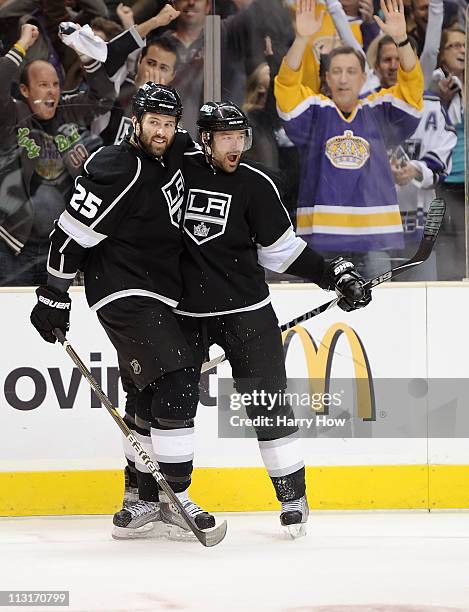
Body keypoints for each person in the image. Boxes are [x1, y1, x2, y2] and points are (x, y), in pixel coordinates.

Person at [115, 101, 372, 539]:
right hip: (179, 312)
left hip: (245, 311)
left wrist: (333, 275)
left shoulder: (256, 185)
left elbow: (281, 250)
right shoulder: (175, 166)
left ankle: (293, 496)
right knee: (155, 402)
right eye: (226, 138)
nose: (236, 147)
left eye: (241, 138)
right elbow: (135, 162)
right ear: (205, 139)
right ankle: (145, 497)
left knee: (268, 403)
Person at [29, 83, 216, 536]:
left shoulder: (176, 149)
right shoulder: (118, 167)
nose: (161, 132)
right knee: (176, 375)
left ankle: (142, 498)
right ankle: (177, 495)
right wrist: (53, 294)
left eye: (169, 124)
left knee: (146, 390)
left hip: (163, 290)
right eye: (153, 122)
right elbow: (69, 233)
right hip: (122, 289)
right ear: (137, 121)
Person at [274, 0, 424, 278]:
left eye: (351, 71)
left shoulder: (378, 110)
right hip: (323, 239)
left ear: (363, 77)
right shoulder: (315, 112)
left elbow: (411, 91)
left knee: (376, 315)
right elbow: (286, 88)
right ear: (327, 78)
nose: (343, 79)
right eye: (337, 71)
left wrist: (402, 40)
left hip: (374, 239)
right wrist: (302, 39)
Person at [0, 23, 115, 286]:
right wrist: (21, 46)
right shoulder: (11, 115)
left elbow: (105, 97)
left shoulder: (67, 110)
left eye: (55, 84)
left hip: (61, 246)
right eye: (42, 85)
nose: (52, 91)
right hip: (13, 247)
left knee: (57, 320)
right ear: (25, 91)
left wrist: (84, 53)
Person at [373, 35, 456, 280]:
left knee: (423, 305)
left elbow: (443, 153)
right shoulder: (366, 106)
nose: (393, 65)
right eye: (387, 60)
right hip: (374, 228)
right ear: (376, 67)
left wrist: (415, 169)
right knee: (375, 305)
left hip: (420, 230)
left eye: (399, 59)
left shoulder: (432, 106)